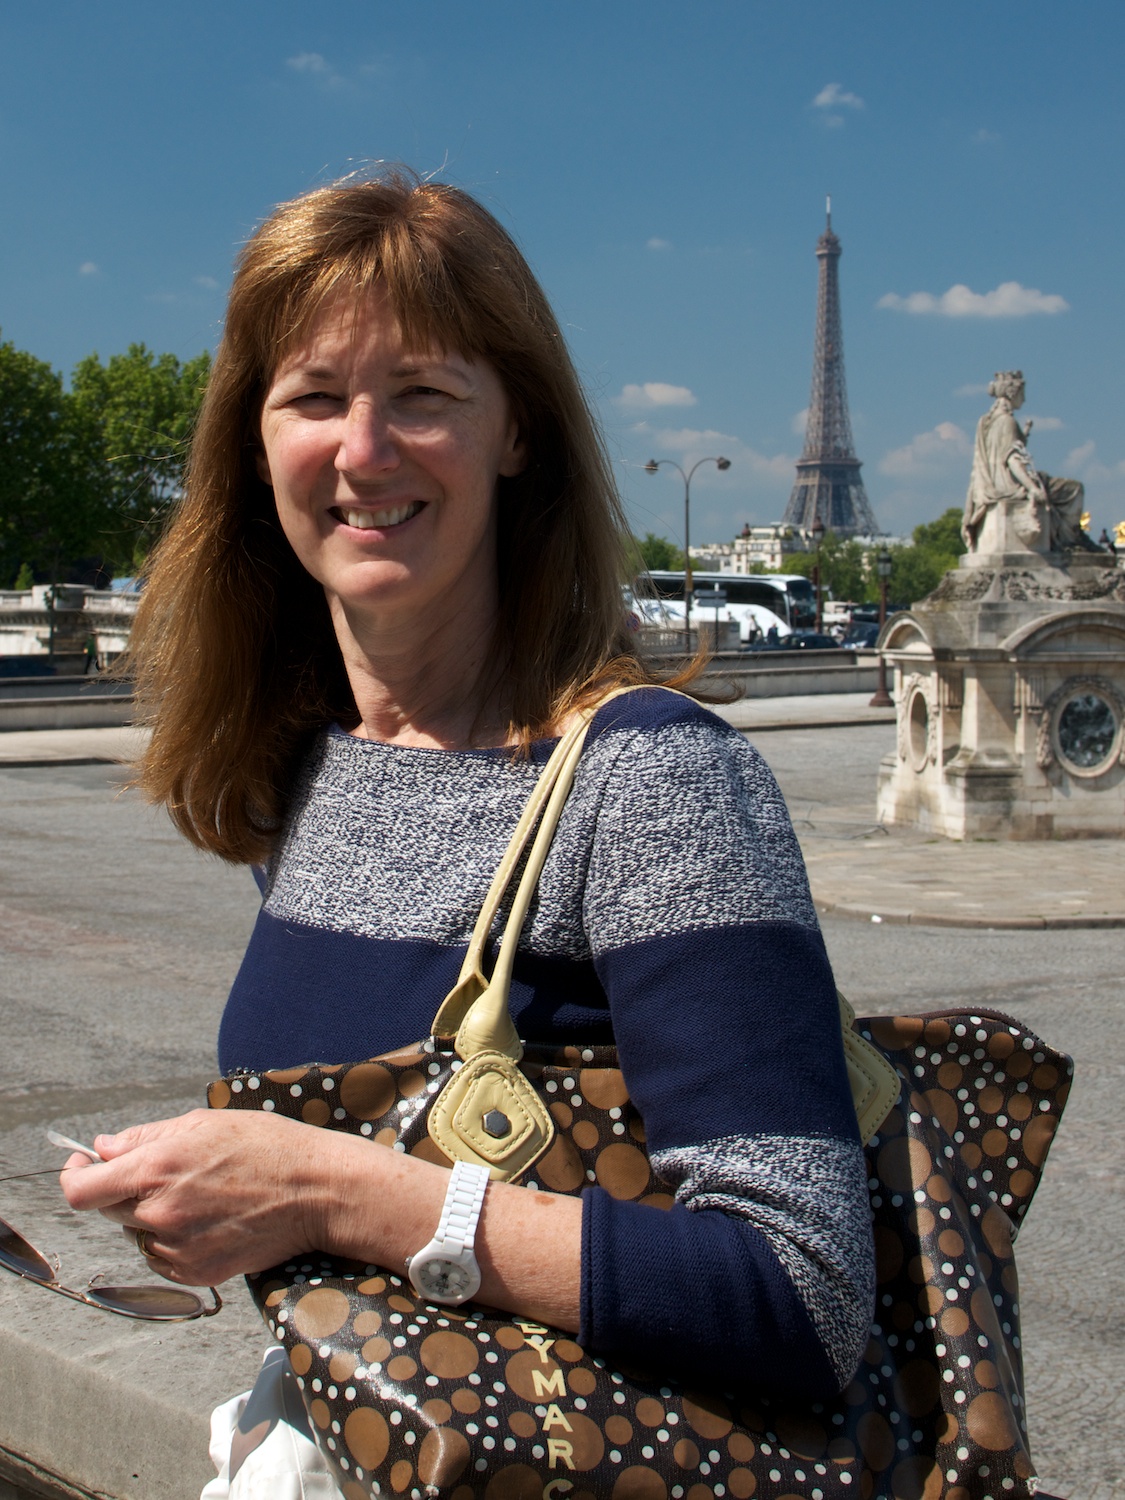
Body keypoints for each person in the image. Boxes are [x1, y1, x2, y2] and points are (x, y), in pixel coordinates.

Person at [59, 172, 873, 1493]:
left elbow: (802, 1292)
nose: (364, 449)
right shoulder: (318, 767)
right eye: (315, 397)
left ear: (516, 433)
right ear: (253, 439)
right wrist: (219, 1197)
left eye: (422, 395)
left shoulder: (654, 781)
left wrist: (330, 1192)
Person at [962, 370, 1097, 553]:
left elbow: (1000, 455)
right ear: (1013, 393)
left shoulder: (988, 421)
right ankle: (1070, 539)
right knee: (1074, 489)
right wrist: (1032, 487)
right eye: (1022, 394)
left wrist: (1023, 435)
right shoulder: (1007, 422)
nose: (1024, 400)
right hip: (1011, 485)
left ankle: (1069, 536)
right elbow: (1011, 460)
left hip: (995, 486)